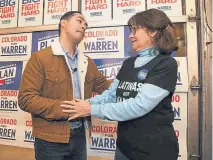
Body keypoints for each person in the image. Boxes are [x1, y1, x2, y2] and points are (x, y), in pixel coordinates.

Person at [61, 9, 179, 160]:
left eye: (135, 30)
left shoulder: (166, 64)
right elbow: (111, 94)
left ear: (152, 31)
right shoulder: (129, 63)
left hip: (155, 150)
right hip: (125, 148)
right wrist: (85, 104)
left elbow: (139, 105)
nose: (131, 35)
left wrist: (91, 109)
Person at [18, 11, 110, 160]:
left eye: (85, 25)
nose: (83, 26)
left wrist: (129, 79)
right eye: (79, 21)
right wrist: (67, 109)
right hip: (50, 141)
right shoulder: (40, 58)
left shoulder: (86, 62)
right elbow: (26, 99)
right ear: (63, 23)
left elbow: (106, 87)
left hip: (79, 137)